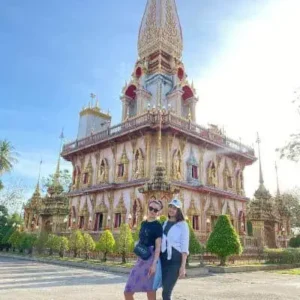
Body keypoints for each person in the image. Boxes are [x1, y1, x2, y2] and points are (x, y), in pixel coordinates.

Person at [124, 200, 163, 300]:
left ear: (159, 212)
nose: (152, 211)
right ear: (148, 208)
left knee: (150, 291)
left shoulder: (158, 226)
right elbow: (142, 240)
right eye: (151, 208)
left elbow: (158, 247)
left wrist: (154, 264)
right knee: (128, 291)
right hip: (141, 259)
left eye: (155, 210)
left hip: (151, 259)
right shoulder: (143, 224)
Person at [161, 198, 189, 300]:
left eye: (175, 208)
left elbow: (184, 246)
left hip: (175, 262)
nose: (172, 210)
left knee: (166, 292)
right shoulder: (164, 224)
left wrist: (183, 266)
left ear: (178, 211)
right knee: (165, 289)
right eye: (170, 207)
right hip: (163, 261)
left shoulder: (183, 225)